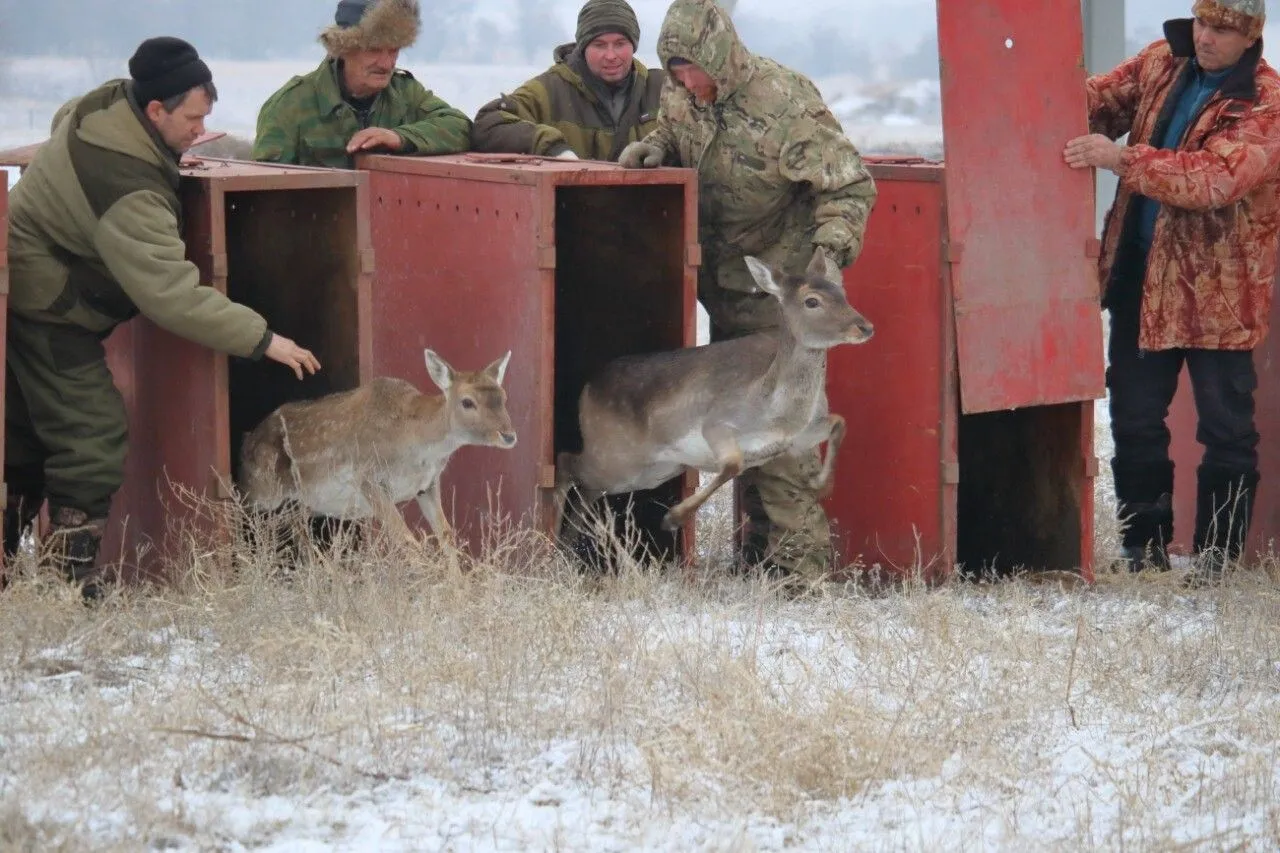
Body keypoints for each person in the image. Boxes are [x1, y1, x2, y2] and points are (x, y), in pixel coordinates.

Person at [4, 37, 321, 597]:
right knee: (90, 435)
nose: (201, 130)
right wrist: (264, 339)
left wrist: (170, 156)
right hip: (50, 309)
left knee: (26, 442)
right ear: (156, 110)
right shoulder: (129, 192)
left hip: (41, 288)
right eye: (193, 119)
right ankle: (67, 587)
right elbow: (170, 295)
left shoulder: (104, 104)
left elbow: (62, 118)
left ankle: (13, 574)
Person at [617, 0, 877, 582]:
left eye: (693, 70)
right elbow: (673, 131)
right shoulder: (682, 93)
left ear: (721, 54)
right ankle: (756, 556)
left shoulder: (784, 102)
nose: (686, 82)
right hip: (716, 284)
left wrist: (826, 258)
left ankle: (800, 575)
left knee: (779, 440)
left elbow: (851, 187)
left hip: (779, 299)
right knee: (738, 427)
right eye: (675, 71)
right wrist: (656, 149)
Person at [1064, 0, 1280, 581]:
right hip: (1139, 279)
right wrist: (1039, 96)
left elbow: (1216, 179)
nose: (1206, 37)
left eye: (1223, 29)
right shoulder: (1162, 60)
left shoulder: (1266, 101)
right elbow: (1093, 101)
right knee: (1134, 420)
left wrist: (1120, 158)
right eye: (1203, 22)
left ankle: (1216, 564)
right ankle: (1145, 554)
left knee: (1227, 432)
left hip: (1221, 297)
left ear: (1251, 36)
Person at [252, 0, 471, 169]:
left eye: (394, 50)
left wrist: (399, 138)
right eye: (374, 49)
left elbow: (459, 126)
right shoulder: (290, 106)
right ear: (344, 47)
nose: (386, 63)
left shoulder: (405, 93)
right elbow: (265, 191)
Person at [470, 0, 665, 162]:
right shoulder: (550, 90)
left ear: (634, 45)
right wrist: (553, 147)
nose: (611, 55)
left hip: (650, 205)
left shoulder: (664, 89)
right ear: (582, 48)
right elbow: (488, 123)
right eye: (599, 45)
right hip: (573, 205)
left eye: (620, 44)